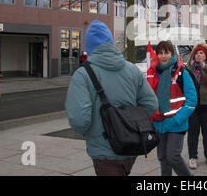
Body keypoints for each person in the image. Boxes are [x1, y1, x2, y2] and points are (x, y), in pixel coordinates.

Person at [65, 20, 158, 176]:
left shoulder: (83, 74)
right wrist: (131, 123)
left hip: (103, 151)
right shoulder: (132, 69)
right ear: (111, 42)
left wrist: (92, 131)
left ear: (89, 47)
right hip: (131, 145)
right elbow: (151, 104)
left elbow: (79, 120)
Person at [148, 40, 197, 176]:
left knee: (173, 156)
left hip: (176, 123)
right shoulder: (153, 72)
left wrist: (177, 119)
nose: (163, 56)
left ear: (172, 54)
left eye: (166, 53)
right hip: (159, 123)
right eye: (160, 53)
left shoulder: (181, 72)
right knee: (163, 158)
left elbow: (192, 100)